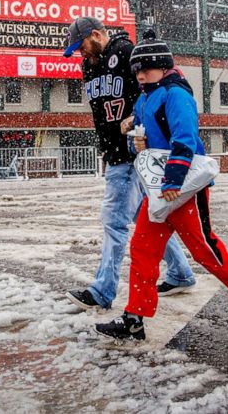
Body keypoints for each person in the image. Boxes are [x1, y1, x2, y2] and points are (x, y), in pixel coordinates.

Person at [95, 32, 228, 341]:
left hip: (184, 189)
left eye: (145, 69)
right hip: (159, 190)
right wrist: (137, 144)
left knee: (204, 250)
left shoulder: (176, 95)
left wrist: (173, 181)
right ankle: (135, 316)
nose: (140, 75)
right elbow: (147, 149)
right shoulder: (146, 98)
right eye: (136, 71)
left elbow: (185, 140)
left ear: (162, 65)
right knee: (143, 248)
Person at [62, 17, 196, 311]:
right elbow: (101, 113)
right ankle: (181, 273)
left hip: (132, 149)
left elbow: (150, 90)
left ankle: (102, 290)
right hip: (115, 150)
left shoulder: (125, 51)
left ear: (96, 34)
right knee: (146, 215)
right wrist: (106, 145)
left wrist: (137, 122)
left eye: (81, 45)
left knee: (114, 221)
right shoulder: (89, 65)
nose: (80, 53)